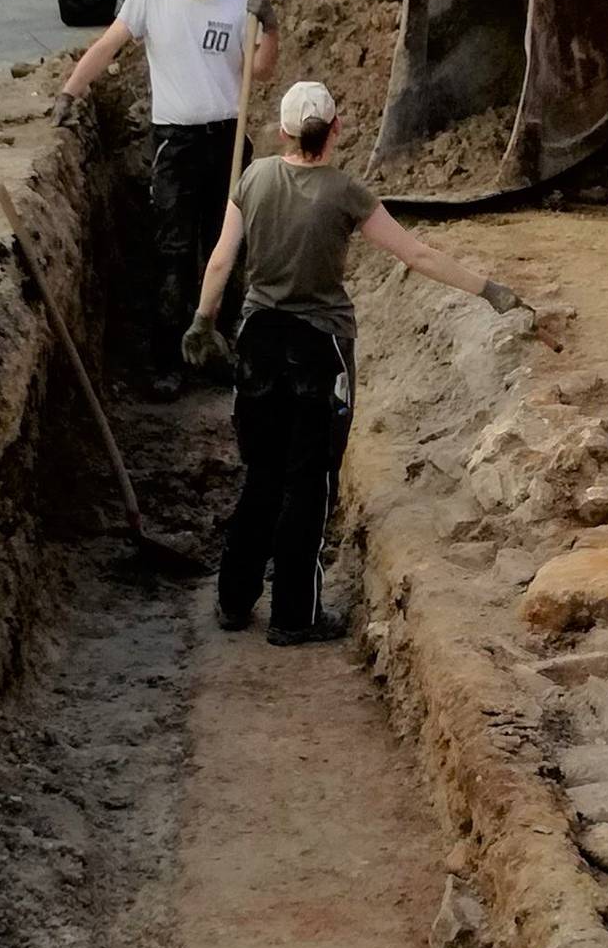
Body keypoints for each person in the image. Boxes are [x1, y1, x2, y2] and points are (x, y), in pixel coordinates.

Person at [185, 82, 526, 645]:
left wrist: (202, 320)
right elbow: (415, 254)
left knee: (262, 476)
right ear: (336, 129)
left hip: (261, 343)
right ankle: (294, 617)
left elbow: (223, 257)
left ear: (283, 131)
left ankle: (233, 600)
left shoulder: (254, 178)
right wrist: (487, 289)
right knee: (310, 484)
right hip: (320, 350)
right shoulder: (346, 193)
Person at [53, 0, 280, 396]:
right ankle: (166, 361)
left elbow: (259, 71)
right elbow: (108, 46)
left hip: (227, 140)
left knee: (229, 249)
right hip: (175, 143)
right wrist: (71, 92)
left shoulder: (238, 3)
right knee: (174, 252)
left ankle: (222, 351)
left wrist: (271, 28)